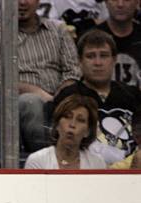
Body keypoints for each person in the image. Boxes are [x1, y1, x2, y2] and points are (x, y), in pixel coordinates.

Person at [0, 0, 81, 152]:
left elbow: (73, 71)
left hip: (60, 99)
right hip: (16, 106)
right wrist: (37, 92)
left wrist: (60, 97)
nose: (22, 2)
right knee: (31, 102)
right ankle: (46, 159)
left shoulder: (58, 30)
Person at [52, 29, 141, 165]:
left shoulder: (132, 95)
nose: (98, 63)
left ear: (114, 59)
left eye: (104, 56)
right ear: (80, 61)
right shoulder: (68, 96)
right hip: (85, 170)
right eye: (90, 56)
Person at [25, 94, 106, 169]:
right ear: (57, 124)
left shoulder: (97, 163)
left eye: (80, 120)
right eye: (67, 117)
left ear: (87, 132)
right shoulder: (37, 161)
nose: (72, 124)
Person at [96, 0, 141, 88]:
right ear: (106, 2)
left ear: (138, 2)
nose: (120, 4)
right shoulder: (91, 38)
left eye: (126, 0)